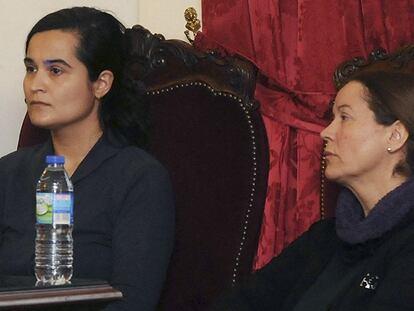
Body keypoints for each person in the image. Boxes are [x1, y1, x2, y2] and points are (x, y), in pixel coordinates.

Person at [0, 7, 174, 311]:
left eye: (55, 70)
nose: (35, 84)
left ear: (101, 83)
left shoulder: (139, 178)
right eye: (31, 68)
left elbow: (133, 303)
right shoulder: (9, 172)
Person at [210, 70, 414, 311]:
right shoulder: (324, 238)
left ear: (395, 135)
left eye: (345, 117)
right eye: (331, 118)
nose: (325, 132)